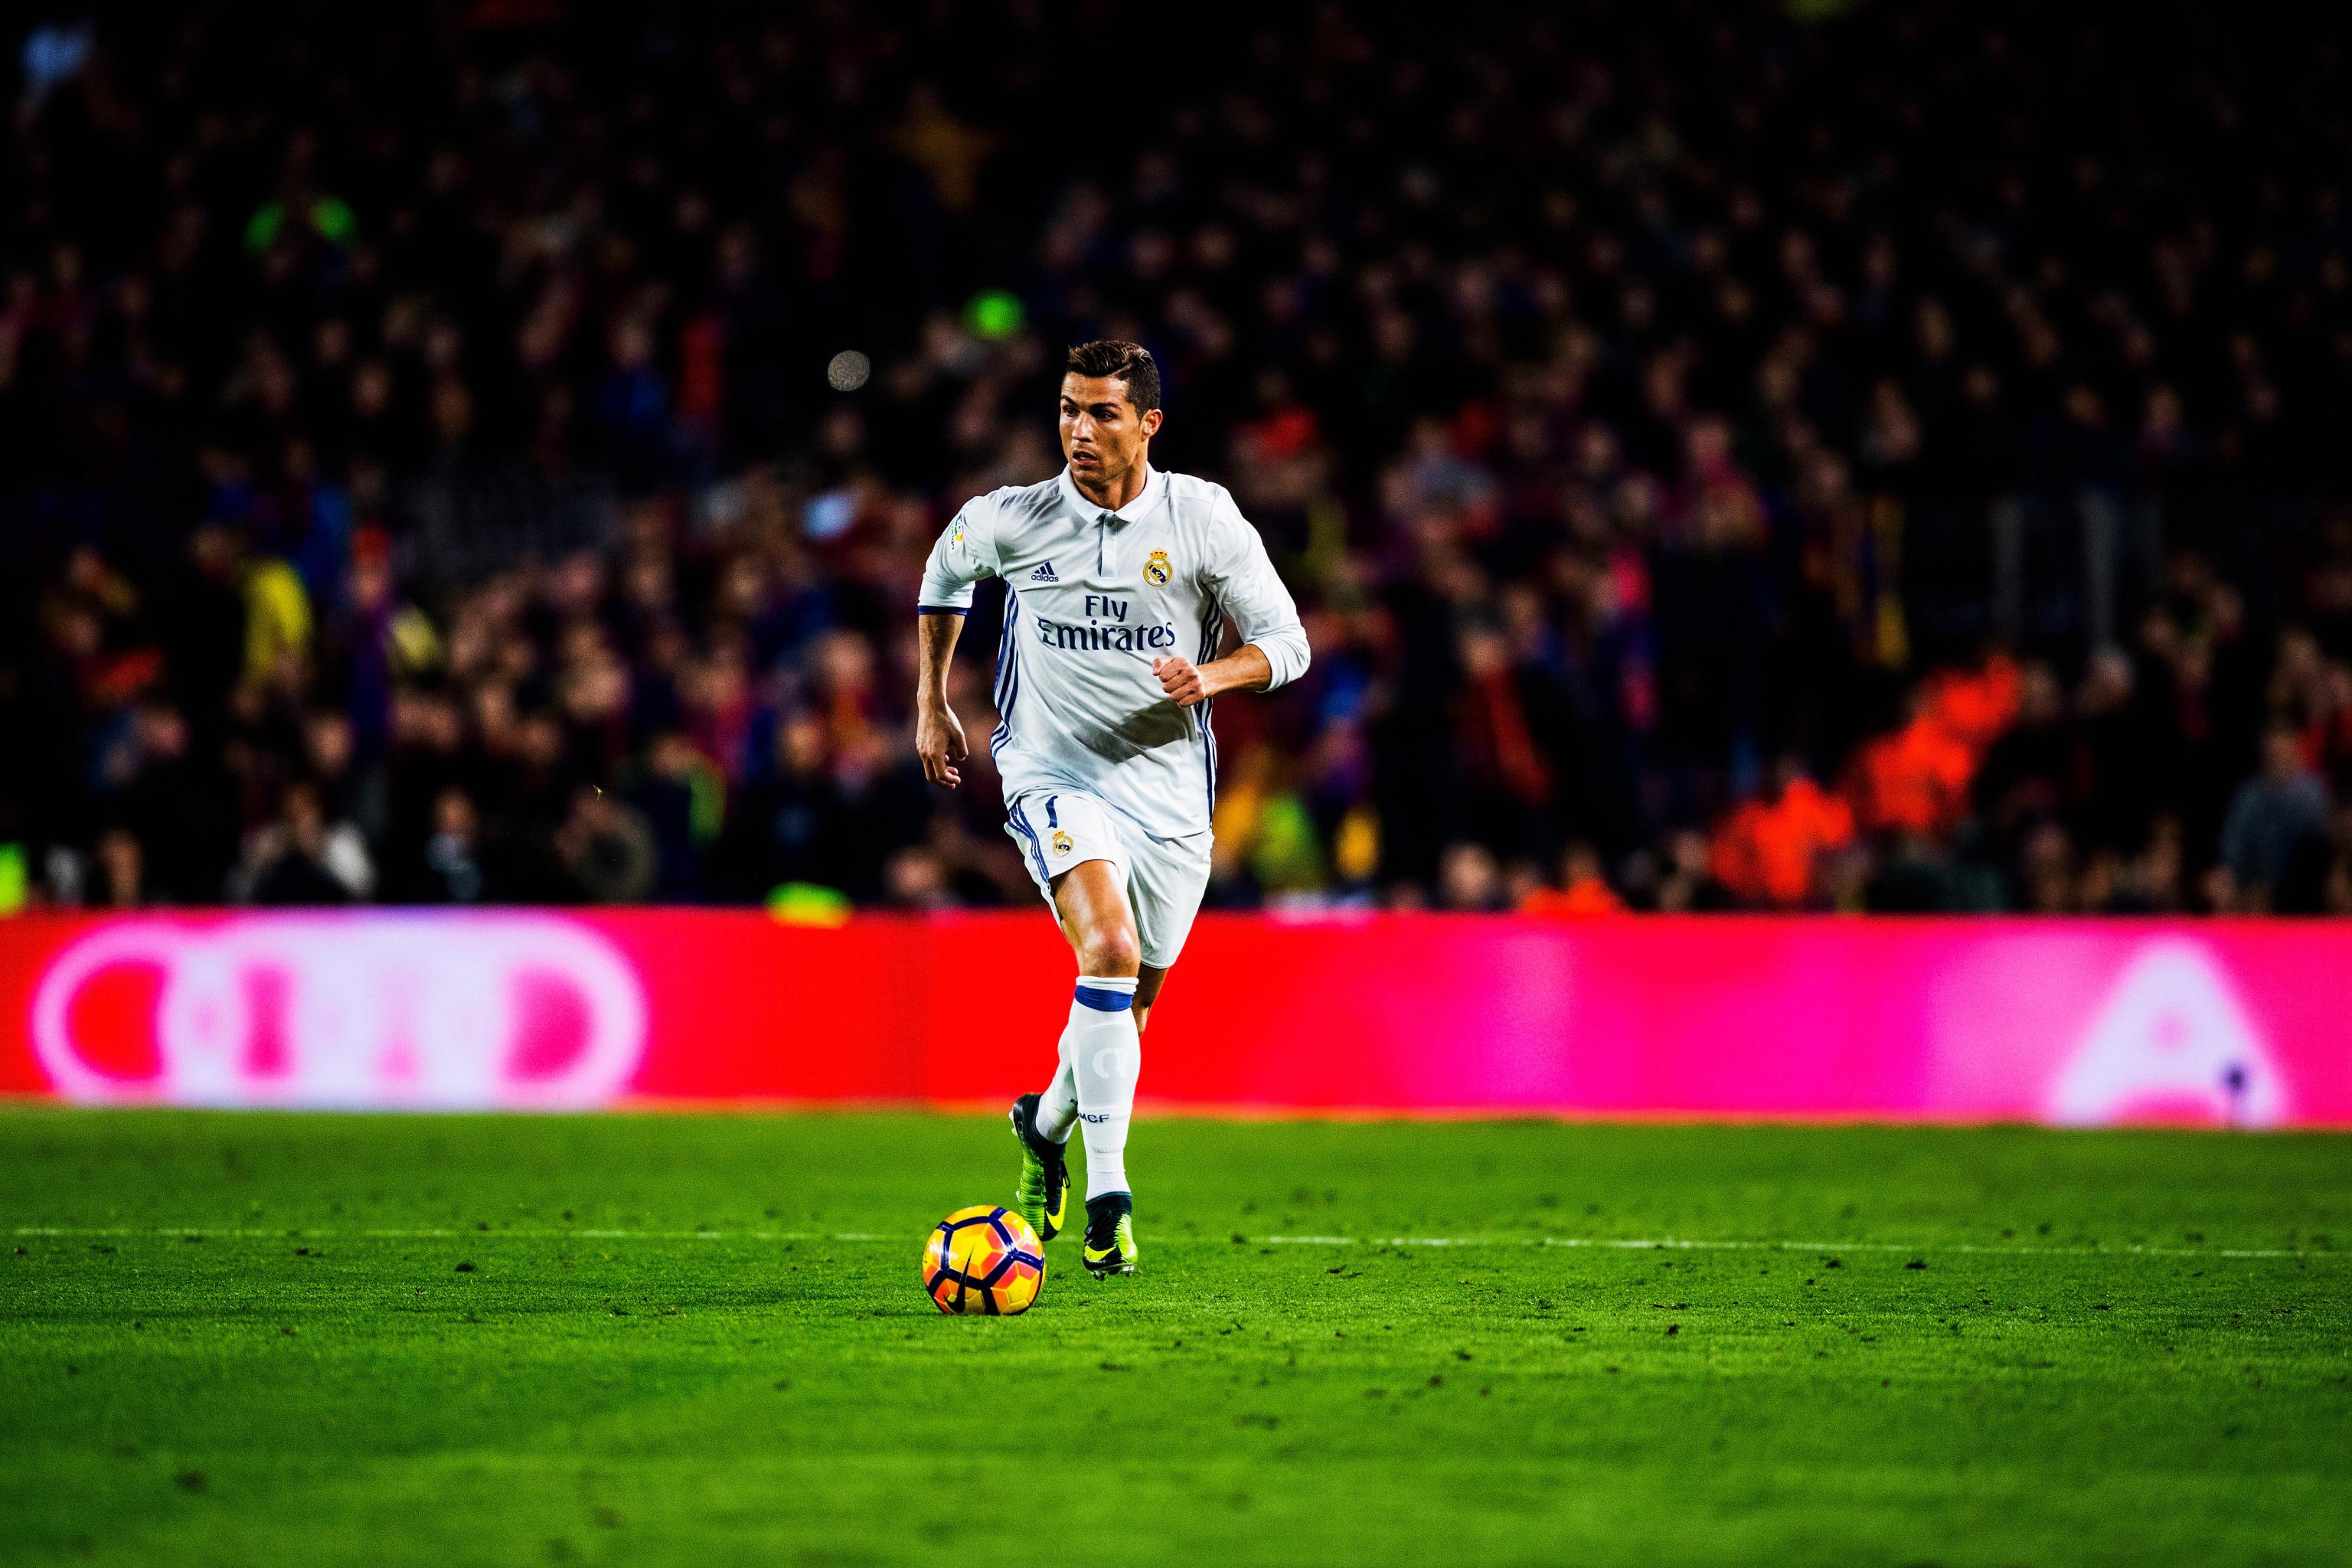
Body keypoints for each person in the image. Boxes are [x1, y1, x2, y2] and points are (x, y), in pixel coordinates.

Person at [913, 341, 1310, 1276]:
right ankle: (1108, 1199)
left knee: (1126, 1009)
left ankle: (1043, 1124)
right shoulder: (1016, 518)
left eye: (1099, 414)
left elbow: (1288, 642)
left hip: (1169, 795)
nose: (1078, 431)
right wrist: (932, 699)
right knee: (1110, 952)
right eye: (1066, 411)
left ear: (1148, 424)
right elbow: (944, 574)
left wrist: (1210, 675)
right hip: (1052, 773)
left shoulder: (1202, 519)